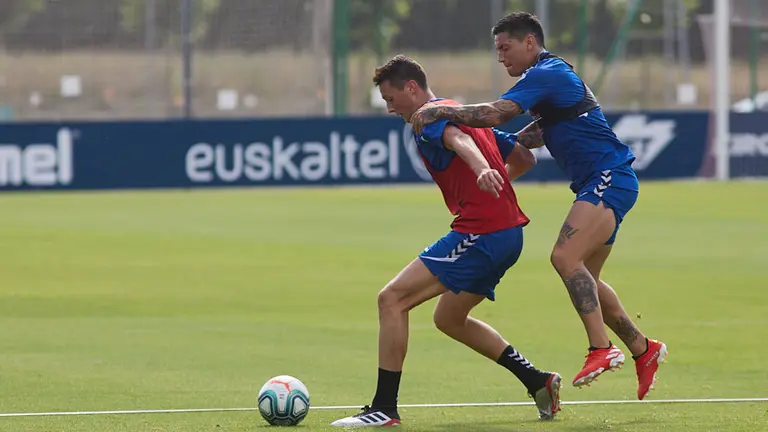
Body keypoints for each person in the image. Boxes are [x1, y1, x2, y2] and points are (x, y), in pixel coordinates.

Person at [409, 12, 667, 401]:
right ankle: (643, 349)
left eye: (505, 48)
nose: (501, 58)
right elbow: (535, 134)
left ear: (529, 42)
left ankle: (601, 348)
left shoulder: (544, 73)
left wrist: (441, 111)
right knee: (588, 279)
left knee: (564, 257)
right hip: (603, 181)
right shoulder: (549, 79)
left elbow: (498, 112)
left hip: (607, 177)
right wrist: (495, 146)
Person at [330, 54, 561, 428]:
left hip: (483, 233)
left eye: (391, 99)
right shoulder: (463, 113)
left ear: (412, 88)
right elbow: (523, 157)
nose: (390, 109)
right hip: (505, 233)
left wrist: (482, 170)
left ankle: (384, 408)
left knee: (392, 299)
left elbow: (454, 141)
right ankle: (538, 381)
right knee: (449, 318)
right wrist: (489, 183)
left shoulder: (429, 118)